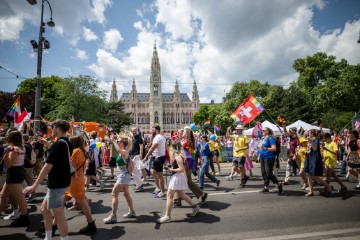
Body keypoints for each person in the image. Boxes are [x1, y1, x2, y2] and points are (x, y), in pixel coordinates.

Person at [24, 120, 73, 239]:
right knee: (43, 209)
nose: (51, 129)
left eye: (53, 127)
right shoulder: (66, 143)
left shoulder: (58, 144)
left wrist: (34, 185)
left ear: (59, 129)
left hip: (57, 184)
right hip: (60, 182)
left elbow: (47, 166)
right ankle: (48, 237)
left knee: (59, 216)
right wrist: (48, 144)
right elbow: (59, 154)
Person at [157, 139, 200, 223]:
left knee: (169, 195)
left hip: (177, 176)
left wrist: (171, 169)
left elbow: (181, 169)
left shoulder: (178, 156)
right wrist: (170, 167)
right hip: (177, 176)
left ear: (174, 147)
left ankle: (167, 216)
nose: (169, 148)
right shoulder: (178, 155)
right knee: (181, 194)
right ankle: (195, 207)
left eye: (171, 146)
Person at [65, 136, 97, 234]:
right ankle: (52, 225)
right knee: (60, 202)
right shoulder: (80, 150)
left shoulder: (76, 151)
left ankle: (91, 224)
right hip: (76, 179)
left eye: (70, 141)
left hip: (75, 180)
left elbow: (69, 165)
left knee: (83, 203)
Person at [103, 135, 136, 224]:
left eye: (120, 141)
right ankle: (131, 212)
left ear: (123, 143)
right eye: (118, 141)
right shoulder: (124, 150)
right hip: (124, 174)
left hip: (123, 175)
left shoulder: (124, 151)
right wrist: (111, 140)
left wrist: (113, 141)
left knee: (114, 194)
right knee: (126, 193)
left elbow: (118, 150)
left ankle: (113, 216)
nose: (118, 142)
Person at [0, 130, 29, 227]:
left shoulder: (14, 149)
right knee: (3, 195)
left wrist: (5, 155)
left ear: (12, 138)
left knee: (20, 198)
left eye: (8, 136)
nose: (6, 137)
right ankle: (20, 216)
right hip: (17, 172)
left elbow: (9, 165)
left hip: (14, 174)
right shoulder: (21, 147)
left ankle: (24, 219)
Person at [173, 127, 208, 207]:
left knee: (179, 181)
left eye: (184, 132)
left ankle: (177, 200)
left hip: (186, 164)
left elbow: (178, 149)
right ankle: (202, 195)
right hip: (186, 164)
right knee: (188, 182)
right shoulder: (186, 141)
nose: (182, 133)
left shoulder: (187, 142)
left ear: (187, 133)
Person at [304, 129, 333, 197]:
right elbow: (309, 149)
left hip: (314, 159)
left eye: (309, 133)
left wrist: (311, 141)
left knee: (316, 176)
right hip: (309, 158)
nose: (308, 134)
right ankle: (311, 191)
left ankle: (328, 186)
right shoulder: (310, 141)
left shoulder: (317, 140)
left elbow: (315, 149)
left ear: (312, 134)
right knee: (309, 175)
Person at [142, 125, 167, 198]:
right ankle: (158, 187)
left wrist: (146, 157)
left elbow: (152, 148)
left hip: (159, 158)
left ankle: (162, 191)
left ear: (156, 130)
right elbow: (165, 146)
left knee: (160, 175)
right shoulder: (162, 137)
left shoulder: (158, 137)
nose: (151, 132)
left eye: (153, 130)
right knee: (152, 171)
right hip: (158, 157)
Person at [259, 127, 283, 194]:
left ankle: (278, 184)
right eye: (262, 130)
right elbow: (261, 148)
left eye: (264, 130)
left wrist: (266, 148)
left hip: (269, 157)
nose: (262, 131)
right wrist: (259, 155)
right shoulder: (263, 138)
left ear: (267, 131)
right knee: (264, 173)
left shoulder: (270, 138)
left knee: (268, 173)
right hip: (262, 157)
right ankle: (266, 187)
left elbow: (274, 148)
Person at [129, 127, 145, 192]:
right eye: (133, 131)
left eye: (135, 131)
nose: (134, 132)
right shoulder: (133, 137)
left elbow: (141, 146)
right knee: (135, 171)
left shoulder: (139, 137)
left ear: (137, 131)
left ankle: (139, 185)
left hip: (137, 155)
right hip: (133, 155)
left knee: (135, 171)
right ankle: (138, 184)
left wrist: (141, 154)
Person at [23, 134, 36, 202]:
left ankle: (32, 195)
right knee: (29, 179)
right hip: (30, 164)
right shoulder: (29, 145)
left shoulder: (24, 146)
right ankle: (31, 194)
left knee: (27, 180)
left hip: (26, 165)